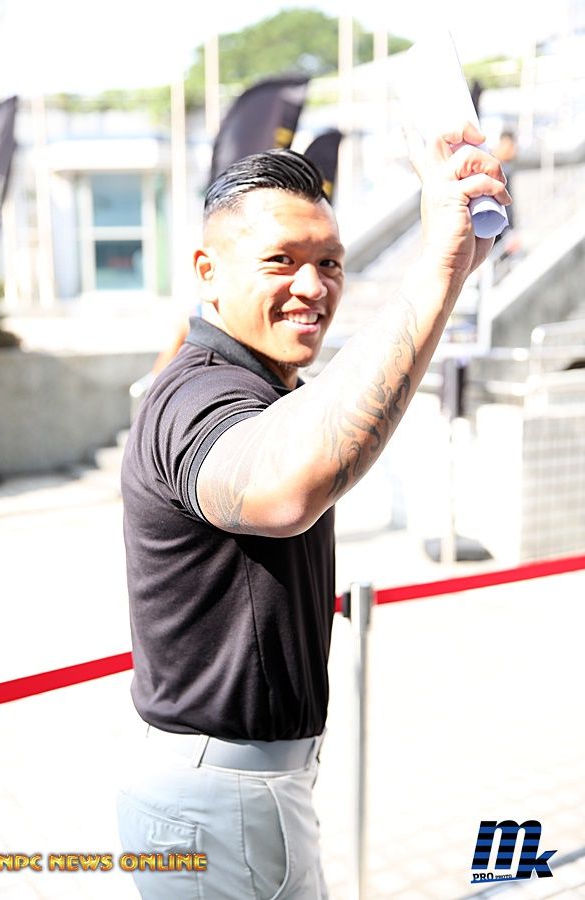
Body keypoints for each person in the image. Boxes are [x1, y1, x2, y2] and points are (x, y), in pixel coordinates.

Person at [117, 127, 510, 899]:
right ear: (207, 272)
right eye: (281, 261)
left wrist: (457, 267)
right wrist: (435, 265)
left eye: (329, 263)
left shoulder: (259, 382)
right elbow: (286, 488)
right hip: (223, 800)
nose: (312, 286)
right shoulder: (199, 394)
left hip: (237, 793)